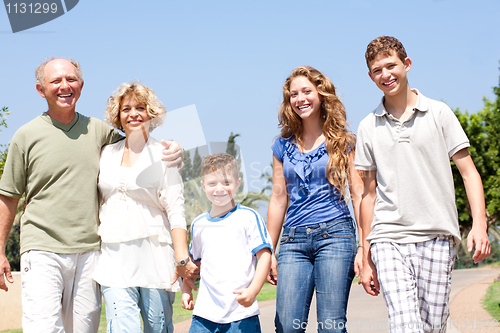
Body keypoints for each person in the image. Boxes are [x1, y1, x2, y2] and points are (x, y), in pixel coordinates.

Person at [0, 58, 184, 333]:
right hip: (41, 248)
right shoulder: (25, 136)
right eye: (56, 81)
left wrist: (176, 149)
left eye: (71, 79)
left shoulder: (99, 132)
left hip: (90, 252)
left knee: (85, 329)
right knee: (44, 328)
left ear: (81, 86)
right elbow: (8, 196)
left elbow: (136, 141)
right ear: (41, 89)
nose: (65, 86)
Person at [356, 36, 491, 332]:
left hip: (436, 234)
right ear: (370, 76)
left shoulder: (439, 113)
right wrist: (365, 254)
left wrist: (479, 224)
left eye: (391, 66)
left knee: (433, 326)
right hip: (388, 237)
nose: (385, 75)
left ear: (407, 64)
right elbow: (368, 195)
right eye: (377, 70)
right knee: (405, 324)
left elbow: (469, 173)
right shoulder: (367, 126)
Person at [92, 82, 198, 332]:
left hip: (155, 256)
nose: (133, 113)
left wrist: (181, 258)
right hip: (113, 255)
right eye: (126, 108)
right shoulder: (106, 153)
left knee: (158, 327)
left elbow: (176, 210)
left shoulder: (165, 154)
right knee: (121, 327)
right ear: (118, 115)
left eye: (140, 107)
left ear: (151, 113)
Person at [267, 66, 363, 333]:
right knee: (287, 326)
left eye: (307, 91)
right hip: (292, 241)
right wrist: (268, 251)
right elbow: (278, 199)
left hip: (336, 235)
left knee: (331, 327)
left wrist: (365, 245)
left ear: (321, 94)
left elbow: (359, 194)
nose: (300, 99)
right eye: (293, 95)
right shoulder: (281, 146)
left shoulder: (344, 141)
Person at [181, 153, 272, 333]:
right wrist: (186, 289)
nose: (219, 189)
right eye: (212, 183)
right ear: (203, 186)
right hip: (204, 315)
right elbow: (193, 264)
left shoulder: (249, 217)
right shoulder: (198, 224)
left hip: (241, 314)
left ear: (237, 184)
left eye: (226, 182)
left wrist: (253, 291)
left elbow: (265, 257)